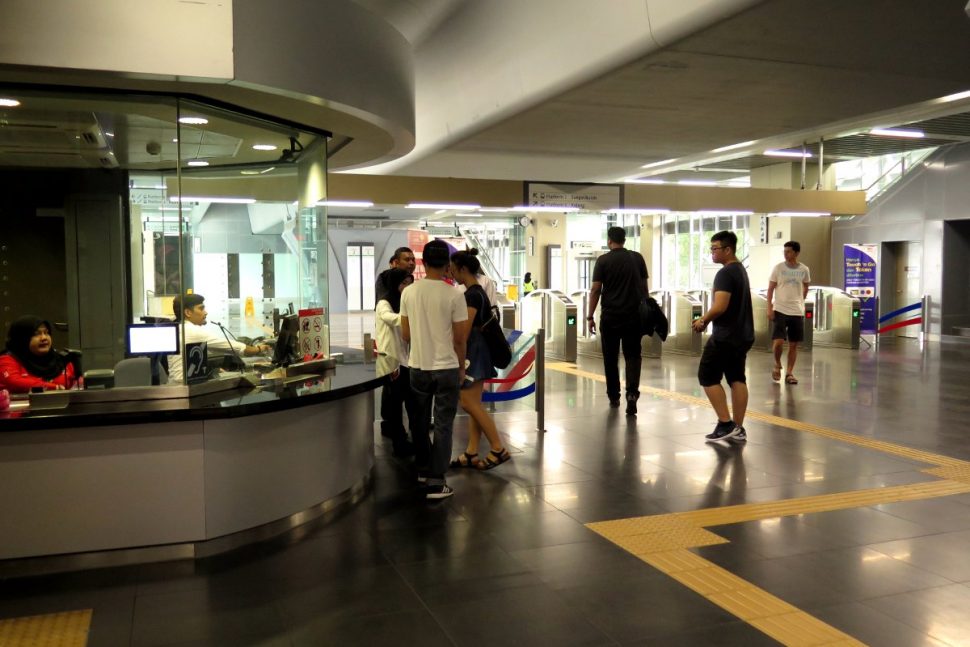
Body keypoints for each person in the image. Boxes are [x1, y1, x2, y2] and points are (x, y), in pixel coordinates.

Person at [400, 239, 468, 500]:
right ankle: (437, 481)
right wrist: (461, 367)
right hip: (446, 367)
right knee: (443, 424)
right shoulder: (454, 294)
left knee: (418, 421)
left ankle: (422, 468)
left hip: (418, 366)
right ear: (448, 264)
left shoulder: (409, 292)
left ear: (422, 262)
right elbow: (460, 339)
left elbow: (405, 334)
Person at [448, 250, 511, 470]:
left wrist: (459, 360)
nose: (452, 272)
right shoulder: (475, 291)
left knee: (467, 402)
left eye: (453, 268)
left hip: (474, 352)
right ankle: (472, 452)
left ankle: (498, 448)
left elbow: (464, 332)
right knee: (474, 403)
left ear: (463, 269)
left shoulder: (472, 295)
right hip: (480, 350)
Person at [691, 231, 754, 443]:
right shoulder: (740, 270)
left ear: (728, 249)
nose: (712, 253)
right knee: (737, 377)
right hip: (743, 334)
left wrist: (703, 320)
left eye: (715, 249)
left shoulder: (725, 273)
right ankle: (738, 427)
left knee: (707, 376)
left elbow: (720, 306)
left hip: (726, 335)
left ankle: (726, 423)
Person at [587, 226, 649, 416]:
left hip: (611, 316)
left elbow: (596, 289)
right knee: (632, 355)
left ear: (609, 241)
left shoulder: (603, 260)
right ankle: (632, 394)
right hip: (633, 317)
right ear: (624, 240)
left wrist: (590, 316)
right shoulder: (637, 258)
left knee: (611, 357)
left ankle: (614, 395)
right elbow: (645, 288)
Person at [167, 293, 271, 383]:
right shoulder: (192, 331)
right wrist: (260, 348)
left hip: (176, 384)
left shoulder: (179, 328)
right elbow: (240, 349)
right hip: (185, 387)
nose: (206, 312)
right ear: (188, 312)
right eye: (201, 308)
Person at [375, 268, 417, 457]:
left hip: (407, 360)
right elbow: (388, 318)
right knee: (395, 403)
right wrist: (409, 318)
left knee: (410, 402)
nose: (406, 287)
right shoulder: (384, 302)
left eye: (409, 283)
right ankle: (399, 442)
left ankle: (412, 440)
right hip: (391, 360)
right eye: (403, 283)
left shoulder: (407, 302)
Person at [767, 241, 811, 385]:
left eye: (789, 252)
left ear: (797, 253)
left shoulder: (804, 269)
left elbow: (806, 286)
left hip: (796, 311)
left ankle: (789, 373)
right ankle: (776, 363)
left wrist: (801, 301)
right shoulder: (778, 268)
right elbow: (770, 289)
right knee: (778, 341)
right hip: (780, 309)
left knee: (793, 344)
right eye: (784, 252)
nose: (786, 254)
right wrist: (769, 307)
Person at [0, 316, 77, 393]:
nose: (44, 338)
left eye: (46, 333)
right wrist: (53, 387)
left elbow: (77, 385)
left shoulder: (60, 359)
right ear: (22, 338)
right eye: (36, 334)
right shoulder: (7, 360)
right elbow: (15, 382)